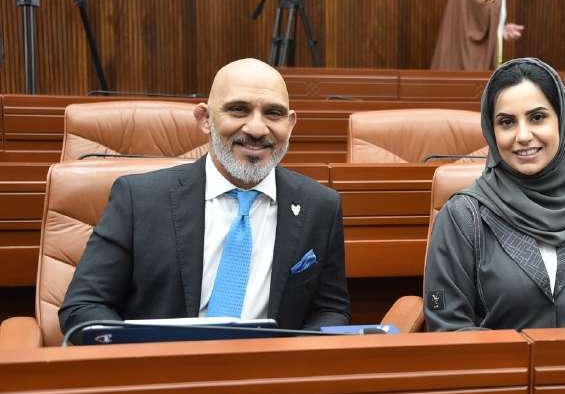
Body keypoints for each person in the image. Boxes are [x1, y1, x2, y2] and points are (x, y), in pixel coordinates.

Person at [59, 58, 350, 335]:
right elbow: (84, 306)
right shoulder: (138, 200)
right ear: (205, 119)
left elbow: (330, 310)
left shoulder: (320, 207)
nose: (257, 129)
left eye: (273, 113)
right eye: (238, 110)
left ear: (291, 124)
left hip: (270, 367)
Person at [423, 57, 565, 330]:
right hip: (494, 359)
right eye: (507, 122)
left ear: (562, 121)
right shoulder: (462, 217)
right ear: (492, 131)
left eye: (537, 117)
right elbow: (446, 321)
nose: (523, 135)